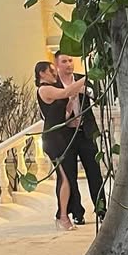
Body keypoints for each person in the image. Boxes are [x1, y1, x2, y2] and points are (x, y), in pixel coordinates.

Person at [54, 52, 107, 223]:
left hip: (86, 132)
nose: (68, 64)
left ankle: (101, 209)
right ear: (57, 65)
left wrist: (87, 91)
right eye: (64, 61)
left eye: (70, 60)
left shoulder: (82, 79)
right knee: (70, 175)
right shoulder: (54, 85)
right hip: (66, 135)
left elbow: (99, 97)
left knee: (94, 172)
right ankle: (77, 213)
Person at [35, 59, 83, 231]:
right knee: (64, 178)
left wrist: (71, 102)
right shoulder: (44, 89)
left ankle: (63, 215)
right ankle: (62, 217)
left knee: (68, 177)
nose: (55, 74)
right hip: (53, 138)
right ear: (42, 73)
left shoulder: (52, 89)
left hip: (61, 136)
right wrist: (86, 78)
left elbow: (64, 113)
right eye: (52, 71)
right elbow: (66, 92)